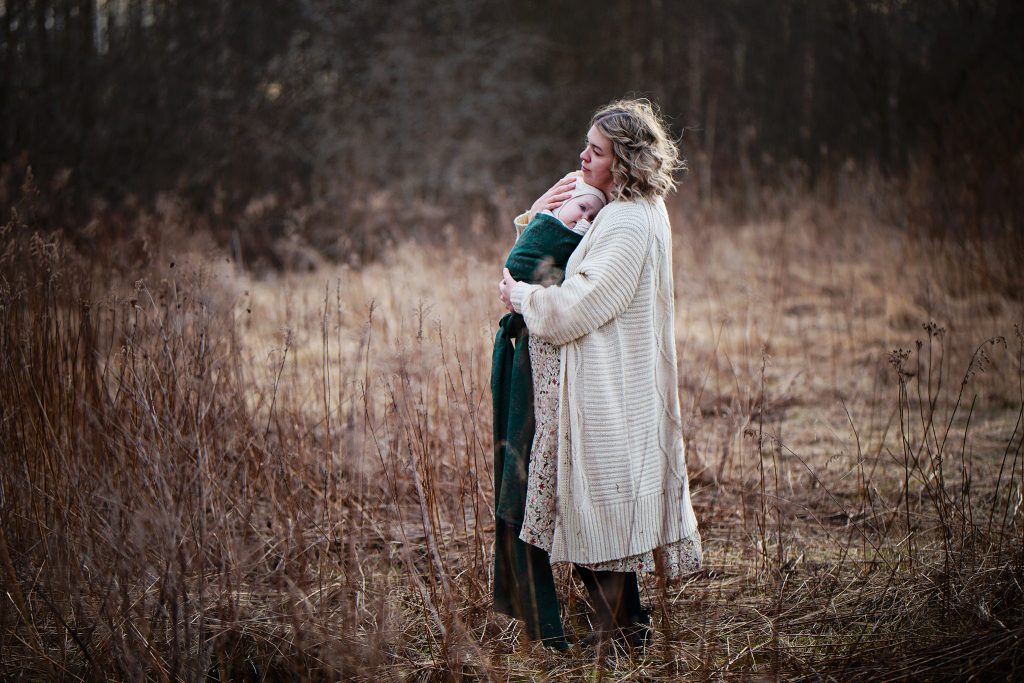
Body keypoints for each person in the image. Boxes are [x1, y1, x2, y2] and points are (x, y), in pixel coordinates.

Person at [498, 99, 703, 652]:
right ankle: (621, 628)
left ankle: (626, 633)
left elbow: (576, 307)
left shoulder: (630, 221)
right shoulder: (620, 209)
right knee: (584, 512)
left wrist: (522, 297)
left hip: (604, 391)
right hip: (590, 388)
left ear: (626, 160)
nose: (583, 157)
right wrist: (542, 214)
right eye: (586, 146)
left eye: (596, 151)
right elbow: (559, 252)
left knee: (599, 516)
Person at [491, 174, 607, 650]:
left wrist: (545, 220)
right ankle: (543, 626)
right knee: (521, 495)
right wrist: (541, 214)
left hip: (569, 389)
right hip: (529, 377)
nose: (584, 219)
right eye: (579, 208)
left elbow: (520, 270)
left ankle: (620, 615)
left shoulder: (589, 246)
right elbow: (518, 265)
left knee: (569, 500)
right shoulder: (557, 232)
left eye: (593, 214)